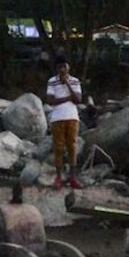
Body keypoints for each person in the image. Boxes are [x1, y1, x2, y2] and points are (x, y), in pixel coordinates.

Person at [45, 55, 83, 190]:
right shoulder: (52, 82)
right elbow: (50, 100)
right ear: (56, 68)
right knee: (59, 148)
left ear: (68, 67)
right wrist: (68, 98)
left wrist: (67, 84)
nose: (62, 69)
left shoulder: (75, 81)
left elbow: (78, 99)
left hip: (72, 117)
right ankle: (59, 178)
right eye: (60, 66)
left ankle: (73, 177)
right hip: (57, 118)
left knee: (72, 147)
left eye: (64, 66)